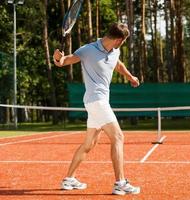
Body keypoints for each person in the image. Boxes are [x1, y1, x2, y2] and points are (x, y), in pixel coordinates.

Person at [53, 23, 140, 195]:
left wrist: (130, 77)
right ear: (118, 39)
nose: (123, 43)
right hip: (96, 101)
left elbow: (118, 64)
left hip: (96, 103)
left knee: (89, 144)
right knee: (118, 137)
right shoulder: (88, 50)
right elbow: (64, 62)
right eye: (123, 41)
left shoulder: (115, 51)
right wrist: (57, 58)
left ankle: (69, 179)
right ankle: (120, 183)